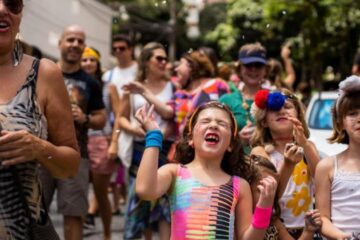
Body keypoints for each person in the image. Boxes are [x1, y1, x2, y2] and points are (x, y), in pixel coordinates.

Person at [135, 101, 277, 239]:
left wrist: (265, 206)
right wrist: (154, 136)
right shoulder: (175, 173)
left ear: (231, 145)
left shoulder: (240, 185)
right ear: (191, 138)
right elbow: (145, 190)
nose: (213, 125)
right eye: (205, 121)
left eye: (222, 123)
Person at [0, 1, 80, 239]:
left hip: (27, 231)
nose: (3, 9)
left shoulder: (44, 73)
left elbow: (70, 166)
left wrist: (38, 147)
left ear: (21, 13)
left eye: (12, 3)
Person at [39, 25, 106, 240]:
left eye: (79, 41)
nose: (75, 44)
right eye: (70, 40)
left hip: (77, 156)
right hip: (41, 154)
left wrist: (85, 118)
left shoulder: (91, 83)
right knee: (34, 214)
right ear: (60, 43)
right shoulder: (41, 75)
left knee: (74, 215)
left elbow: (101, 119)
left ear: (84, 46)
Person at [119, 42, 174, 239]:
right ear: (146, 61)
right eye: (159, 58)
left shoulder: (172, 85)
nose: (164, 62)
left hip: (167, 148)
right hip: (140, 148)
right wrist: (133, 129)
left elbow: (170, 113)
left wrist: (158, 134)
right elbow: (121, 118)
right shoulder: (131, 87)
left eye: (166, 58)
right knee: (138, 201)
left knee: (164, 206)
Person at [250, 88, 320, 239]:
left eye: (287, 107)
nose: (281, 111)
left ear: (298, 116)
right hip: (275, 229)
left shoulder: (309, 147)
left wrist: (305, 144)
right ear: (264, 121)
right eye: (274, 109)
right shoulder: (260, 152)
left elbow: (322, 182)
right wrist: (287, 164)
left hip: (307, 228)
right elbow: (268, 198)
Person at [315, 75, 360, 239]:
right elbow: (323, 218)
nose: (359, 119)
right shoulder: (327, 167)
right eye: (353, 113)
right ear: (341, 122)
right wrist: (343, 238)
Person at [81, 46, 119, 239]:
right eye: (84, 59)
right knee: (78, 193)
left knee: (101, 193)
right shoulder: (75, 85)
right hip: (79, 141)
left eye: (92, 60)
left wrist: (115, 142)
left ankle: (106, 235)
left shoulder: (109, 86)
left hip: (101, 141)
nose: (88, 63)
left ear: (98, 63)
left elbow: (119, 115)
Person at [103, 34, 137, 213]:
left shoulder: (140, 71)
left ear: (131, 49)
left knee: (134, 178)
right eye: (115, 49)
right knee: (114, 175)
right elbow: (111, 109)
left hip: (139, 130)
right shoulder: (109, 75)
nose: (118, 52)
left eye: (122, 48)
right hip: (117, 130)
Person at [249, 155, 322, 240]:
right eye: (262, 188)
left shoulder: (273, 220)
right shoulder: (241, 221)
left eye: (272, 189)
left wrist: (308, 230)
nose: (269, 194)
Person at [220, 42, 271, 152]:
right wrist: (238, 140)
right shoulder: (226, 100)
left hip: (269, 164)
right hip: (235, 164)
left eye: (258, 65)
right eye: (248, 65)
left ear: (265, 70)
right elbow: (218, 136)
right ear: (239, 69)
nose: (253, 69)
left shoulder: (273, 98)